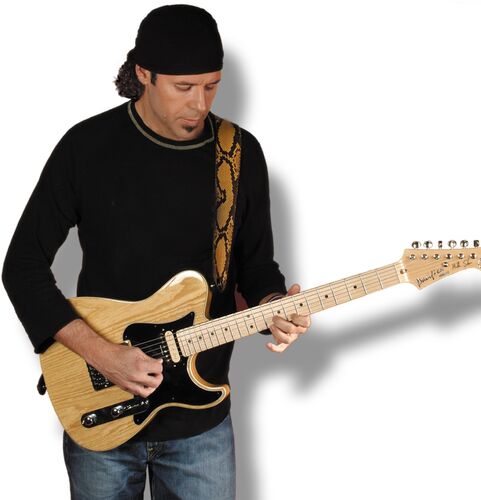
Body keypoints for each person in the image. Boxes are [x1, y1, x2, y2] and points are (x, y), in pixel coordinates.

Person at [2, 5, 310, 499]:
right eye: (183, 87)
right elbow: (22, 266)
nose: (199, 103)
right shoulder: (86, 147)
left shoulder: (237, 154)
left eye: (211, 86)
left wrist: (273, 305)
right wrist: (104, 356)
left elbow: (256, 266)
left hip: (201, 421)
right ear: (143, 74)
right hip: (102, 413)